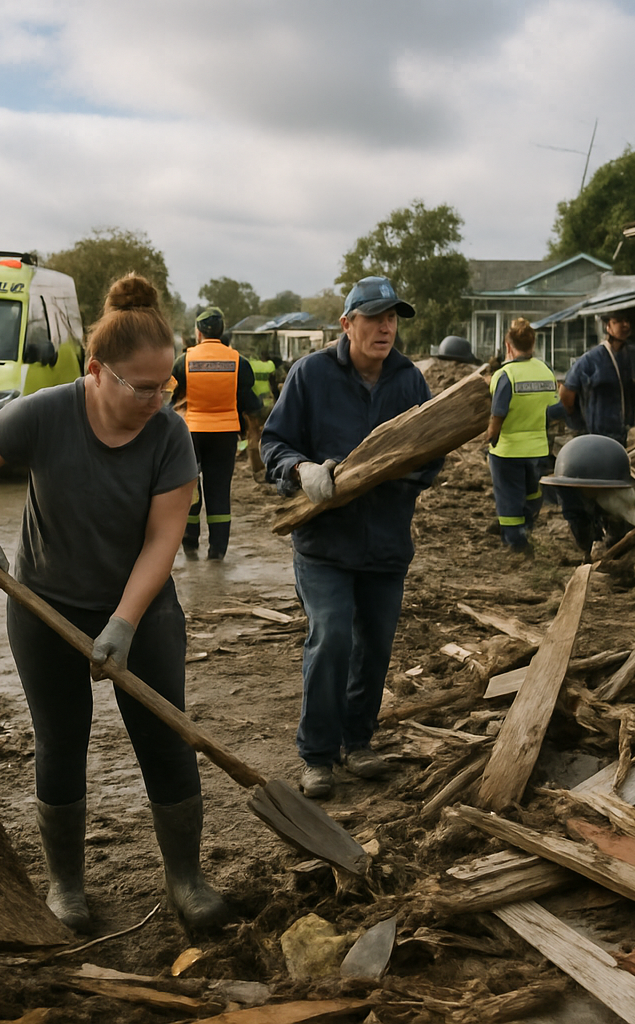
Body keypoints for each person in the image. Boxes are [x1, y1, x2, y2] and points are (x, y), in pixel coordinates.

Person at [0, 274, 232, 935]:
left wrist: (125, 621)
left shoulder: (170, 436)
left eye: (166, 386)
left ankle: (186, 878)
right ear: (97, 371)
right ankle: (66, 884)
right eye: (142, 387)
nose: (157, 400)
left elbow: (164, 539)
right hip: (45, 609)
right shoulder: (44, 413)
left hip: (144, 610)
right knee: (60, 740)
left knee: (165, 736)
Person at [260, 276, 442, 799]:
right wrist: (300, 470)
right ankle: (317, 754)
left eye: (393, 318)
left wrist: (413, 473)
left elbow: (435, 447)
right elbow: (274, 441)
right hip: (325, 544)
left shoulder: (408, 381)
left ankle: (356, 741)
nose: (386, 327)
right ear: (347, 324)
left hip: (386, 541)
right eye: (375, 317)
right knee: (333, 634)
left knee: (376, 645)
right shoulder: (311, 375)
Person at [171, 306, 261, 559]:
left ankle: (190, 544)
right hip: (225, 434)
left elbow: (169, 399)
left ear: (198, 332)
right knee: (219, 491)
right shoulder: (237, 362)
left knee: (190, 488)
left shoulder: (184, 362)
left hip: (192, 434)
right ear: (222, 332)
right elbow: (251, 403)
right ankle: (217, 552)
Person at [557, 311, 635, 554]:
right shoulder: (591, 359)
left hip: (626, 437)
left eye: (628, 320)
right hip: (596, 437)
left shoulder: (634, 356)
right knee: (589, 493)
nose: (625, 325)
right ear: (608, 326)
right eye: (619, 321)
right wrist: (581, 426)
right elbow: (567, 395)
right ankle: (589, 541)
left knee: (621, 494)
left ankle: (617, 538)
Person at [485, 318, 564, 554]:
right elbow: (555, 410)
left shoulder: (505, 375)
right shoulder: (545, 370)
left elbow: (497, 414)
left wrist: (490, 437)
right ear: (533, 344)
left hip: (507, 450)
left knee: (508, 495)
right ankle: (526, 525)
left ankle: (515, 540)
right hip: (538, 448)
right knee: (532, 492)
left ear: (508, 346)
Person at [243, 346, 283, 480]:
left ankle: (257, 468)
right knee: (271, 435)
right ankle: (273, 464)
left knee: (253, 435)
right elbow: (273, 383)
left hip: (253, 406)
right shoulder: (269, 365)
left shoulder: (248, 365)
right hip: (269, 403)